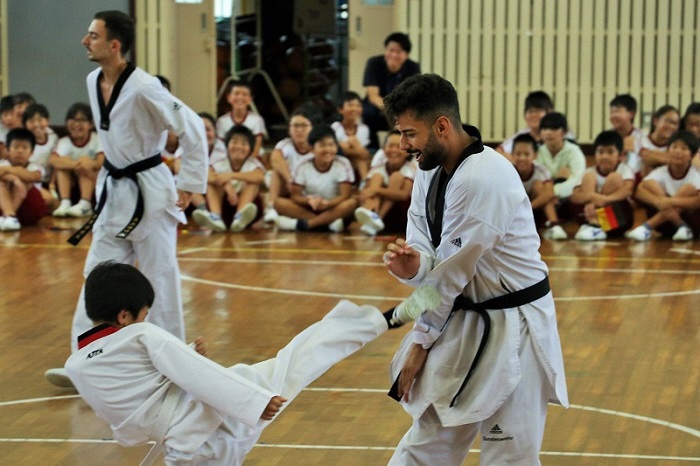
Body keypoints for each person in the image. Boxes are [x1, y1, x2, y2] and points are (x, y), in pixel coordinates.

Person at [381, 73, 568, 465]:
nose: (403, 145)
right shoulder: (429, 170)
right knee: (425, 444)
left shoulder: (484, 178)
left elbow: (449, 276)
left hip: (516, 329)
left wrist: (419, 343)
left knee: (509, 456)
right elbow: (428, 250)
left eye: (409, 133)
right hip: (463, 318)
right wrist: (413, 266)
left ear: (442, 126)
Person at [65, 261, 391, 465]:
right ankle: (378, 321)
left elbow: (133, 396)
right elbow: (196, 375)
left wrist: (187, 352)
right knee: (296, 361)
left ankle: (373, 322)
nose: (144, 320)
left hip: (184, 448)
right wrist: (253, 402)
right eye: (142, 314)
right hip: (216, 427)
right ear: (125, 315)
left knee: (293, 362)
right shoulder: (142, 335)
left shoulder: (77, 365)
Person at [44, 10, 208, 388]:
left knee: (159, 278)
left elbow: (193, 127)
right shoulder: (92, 80)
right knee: (96, 275)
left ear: (113, 44)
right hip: (114, 189)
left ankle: (173, 367)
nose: (85, 41)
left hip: (150, 190)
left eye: (92, 35)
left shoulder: (145, 86)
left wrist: (190, 182)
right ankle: (83, 361)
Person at [274, 125, 357, 232]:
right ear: (312, 149)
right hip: (309, 208)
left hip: (333, 207)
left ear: (336, 147)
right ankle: (328, 224)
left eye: (331, 145)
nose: (328, 149)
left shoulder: (343, 164)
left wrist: (327, 204)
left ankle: (306, 224)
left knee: (352, 203)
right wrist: (309, 200)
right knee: (278, 202)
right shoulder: (302, 165)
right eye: (322, 145)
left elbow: (344, 196)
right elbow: (295, 196)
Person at [627, 130, 700, 242]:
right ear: (668, 150)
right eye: (674, 147)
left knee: (688, 189)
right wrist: (657, 201)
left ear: (692, 155)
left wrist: (670, 202)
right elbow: (639, 191)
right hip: (665, 225)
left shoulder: (695, 173)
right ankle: (681, 225)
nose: (677, 152)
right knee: (650, 184)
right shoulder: (661, 171)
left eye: (684, 149)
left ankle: (647, 227)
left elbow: (697, 201)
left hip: (692, 222)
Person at [192, 125, 264, 232]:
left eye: (244, 143)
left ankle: (240, 216)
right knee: (212, 183)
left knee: (253, 183)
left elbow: (259, 177)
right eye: (234, 142)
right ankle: (215, 217)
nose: (239, 147)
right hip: (223, 208)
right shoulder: (219, 162)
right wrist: (226, 184)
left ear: (250, 149)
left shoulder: (253, 164)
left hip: (247, 215)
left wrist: (231, 175)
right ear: (227, 145)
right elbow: (207, 175)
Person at [570, 130, 635, 241]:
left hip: (616, 219)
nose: (605, 156)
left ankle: (597, 227)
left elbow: (628, 190)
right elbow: (575, 197)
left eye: (610, 152)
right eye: (600, 152)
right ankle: (594, 225)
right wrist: (591, 198)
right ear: (595, 154)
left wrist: (605, 199)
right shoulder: (589, 171)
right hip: (589, 215)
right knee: (589, 177)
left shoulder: (624, 169)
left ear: (620, 155)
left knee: (614, 178)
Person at [362, 32, 421, 150]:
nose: (393, 55)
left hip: (401, 107)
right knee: (367, 113)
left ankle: (406, 148)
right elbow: (373, 95)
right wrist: (391, 111)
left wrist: (399, 112)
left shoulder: (413, 68)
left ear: (406, 55)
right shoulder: (374, 63)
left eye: (398, 52)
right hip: (379, 106)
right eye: (390, 50)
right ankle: (372, 148)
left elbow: (412, 97)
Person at [354, 130, 415, 236]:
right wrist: (372, 193)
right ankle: (373, 216)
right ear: (383, 149)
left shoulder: (409, 168)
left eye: (398, 146)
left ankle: (378, 218)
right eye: (390, 146)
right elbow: (365, 192)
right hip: (380, 210)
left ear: (406, 150)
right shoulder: (378, 168)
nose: (394, 150)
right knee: (376, 177)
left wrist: (377, 190)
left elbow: (403, 195)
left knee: (396, 177)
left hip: (402, 214)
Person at [263, 106, 316, 223]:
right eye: (295, 126)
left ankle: (310, 221)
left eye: (304, 126)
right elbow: (275, 158)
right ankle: (271, 206)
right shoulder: (286, 144)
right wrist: (290, 180)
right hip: (289, 189)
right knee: (276, 171)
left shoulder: (317, 147)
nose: (299, 130)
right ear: (289, 129)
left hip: (310, 191)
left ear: (312, 128)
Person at [50, 103, 105, 217]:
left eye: (81, 120)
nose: (76, 124)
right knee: (64, 166)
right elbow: (54, 161)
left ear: (90, 124)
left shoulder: (97, 138)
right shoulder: (64, 141)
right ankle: (65, 203)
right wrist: (78, 164)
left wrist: (88, 164)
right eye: (72, 120)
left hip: (93, 181)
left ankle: (85, 204)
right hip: (71, 183)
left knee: (84, 164)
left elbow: (101, 162)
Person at [511, 133, 566, 240]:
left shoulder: (541, 170)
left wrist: (528, 208)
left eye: (526, 154)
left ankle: (555, 225)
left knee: (539, 187)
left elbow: (549, 193)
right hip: (514, 212)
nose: (522, 158)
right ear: (512, 155)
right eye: (518, 154)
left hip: (534, 209)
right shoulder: (508, 169)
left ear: (535, 155)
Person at [0, 128, 48, 230]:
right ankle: (10, 215)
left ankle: (9, 217)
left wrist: (9, 171)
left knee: (25, 181)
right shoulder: (3, 164)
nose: (20, 151)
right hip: (4, 206)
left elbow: (32, 176)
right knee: (1, 183)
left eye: (25, 148)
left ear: (32, 152)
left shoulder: (35, 167)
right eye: (16, 147)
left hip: (29, 208)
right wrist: (14, 179)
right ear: (7, 150)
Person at [536, 112, 586, 205]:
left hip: (566, 196)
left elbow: (578, 178)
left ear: (564, 132)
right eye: (544, 129)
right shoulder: (538, 151)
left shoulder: (574, 151)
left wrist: (554, 191)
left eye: (553, 128)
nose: (548, 132)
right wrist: (560, 180)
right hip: (544, 196)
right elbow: (537, 179)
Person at [216, 80, 267, 157]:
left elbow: (257, 146)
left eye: (244, 94)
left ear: (250, 99)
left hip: (252, 160)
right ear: (229, 98)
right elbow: (220, 147)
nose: (240, 97)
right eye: (236, 93)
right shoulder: (222, 121)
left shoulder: (257, 120)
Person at [189, 112, 227, 213]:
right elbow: (178, 166)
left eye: (208, 129)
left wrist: (204, 176)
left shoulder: (222, 147)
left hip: (217, 188)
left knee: (215, 183)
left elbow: (219, 175)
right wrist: (207, 176)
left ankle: (214, 216)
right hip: (192, 192)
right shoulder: (187, 144)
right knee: (186, 178)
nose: (204, 134)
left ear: (215, 132)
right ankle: (205, 211)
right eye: (200, 129)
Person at [23, 103, 59, 206]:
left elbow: (56, 164)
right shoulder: (24, 142)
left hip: (48, 182)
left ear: (47, 120)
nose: (36, 124)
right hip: (31, 181)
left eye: (40, 120)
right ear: (25, 124)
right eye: (31, 121)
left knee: (55, 204)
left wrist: (52, 185)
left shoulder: (53, 138)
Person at [331, 91, 371, 181]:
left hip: (356, 163)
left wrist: (348, 146)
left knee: (361, 159)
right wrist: (353, 147)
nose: (355, 109)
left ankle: (364, 184)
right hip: (337, 161)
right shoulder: (336, 126)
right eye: (350, 105)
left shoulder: (364, 128)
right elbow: (336, 150)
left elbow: (363, 154)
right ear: (340, 110)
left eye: (358, 105)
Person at [608, 94, 645, 175]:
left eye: (617, 111)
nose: (613, 116)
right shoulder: (607, 137)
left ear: (631, 114)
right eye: (611, 112)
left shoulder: (642, 137)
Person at [638, 105, 681, 176]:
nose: (671, 126)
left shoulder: (676, 147)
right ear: (656, 121)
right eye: (668, 121)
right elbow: (647, 158)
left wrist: (655, 156)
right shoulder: (640, 140)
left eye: (675, 124)